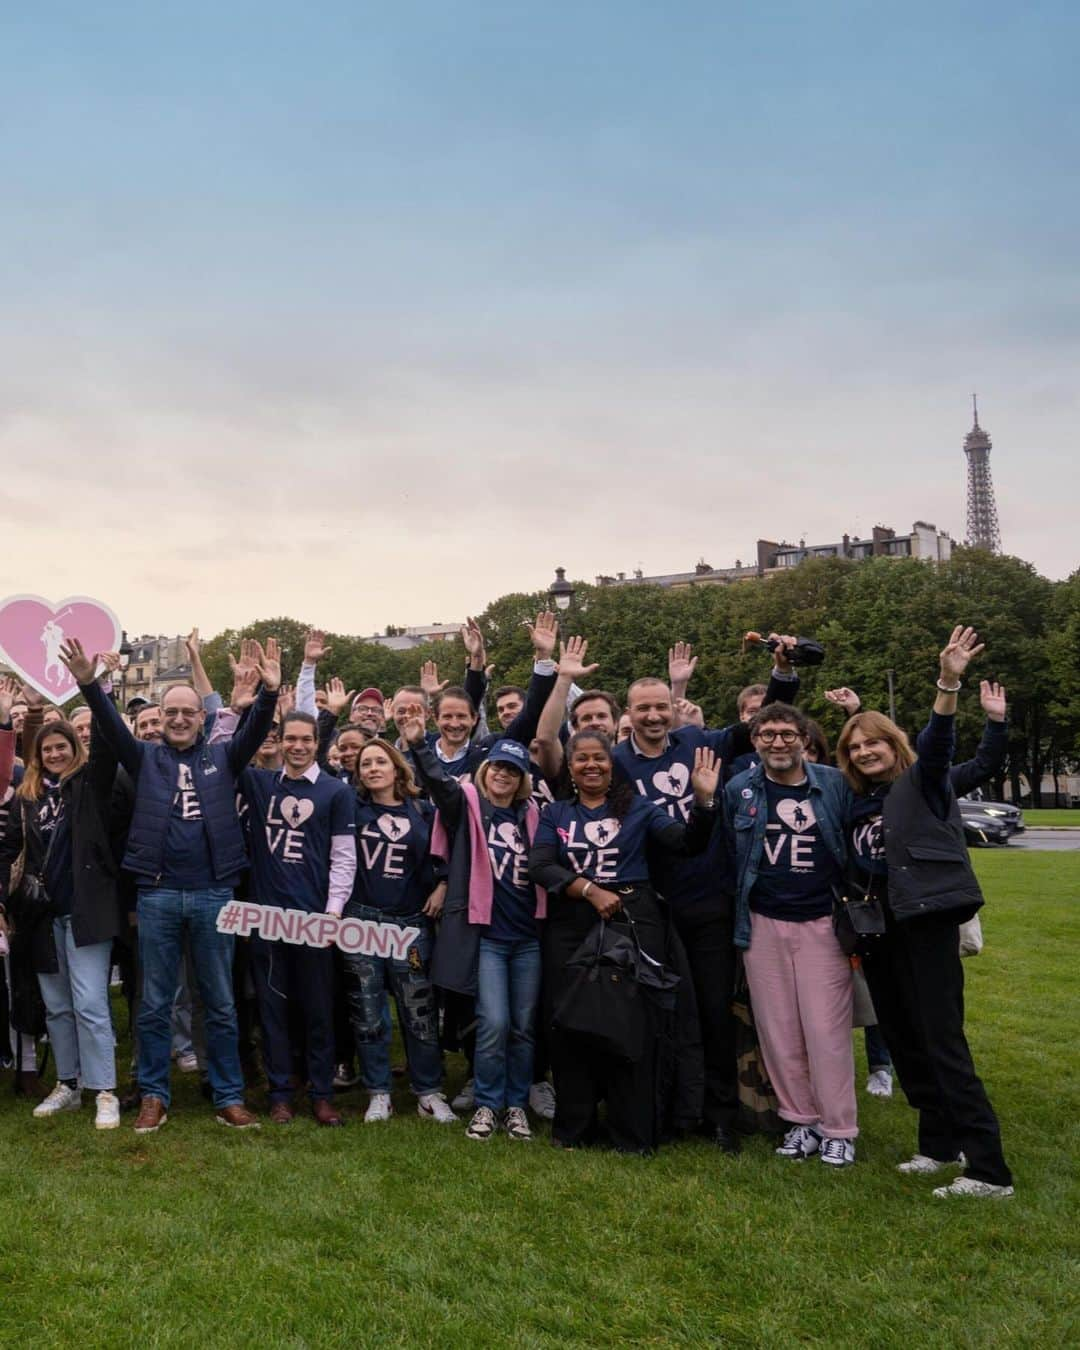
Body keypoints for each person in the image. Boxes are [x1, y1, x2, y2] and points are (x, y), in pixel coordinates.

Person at [66, 635, 280, 1133]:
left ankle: (228, 1095)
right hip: (158, 894)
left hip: (213, 892)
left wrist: (268, 694)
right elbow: (112, 727)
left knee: (221, 1001)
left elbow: (253, 732)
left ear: (202, 719)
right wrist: (88, 683)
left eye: (189, 711)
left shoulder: (223, 758)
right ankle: (154, 1095)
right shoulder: (144, 759)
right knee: (155, 1002)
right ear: (160, 720)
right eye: (171, 713)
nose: (180, 718)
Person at [835, 626, 1014, 1199]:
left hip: (925, 922)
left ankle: (988, 1169)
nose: (865, 753)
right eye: (856, 748)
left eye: (874, 744)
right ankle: (938, 1145)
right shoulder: (854, 801)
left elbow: (940, 741)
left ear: (893, 745)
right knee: (907, 1041)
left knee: (942, 1041)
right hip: (878, 929)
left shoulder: (923, 780)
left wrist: (948, 682)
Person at [529, 731, 720, 1153]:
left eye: (599, 758)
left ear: (612, 767)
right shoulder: (556, 813)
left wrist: (703, 801)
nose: (591, 765)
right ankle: (574, 1127)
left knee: (633, 1025)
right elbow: (540, 864)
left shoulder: (638, 808)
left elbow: (688, 843)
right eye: (582, 759)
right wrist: (588, 890)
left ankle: (631, 1131)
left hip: (633, 921)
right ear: (572, 768)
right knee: (570, 1022)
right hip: (572, 926)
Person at [404, 715, 547, 1143]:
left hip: (527, 937)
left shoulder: (534, 815)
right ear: (486, 771)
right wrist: (418, 746)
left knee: (523, 1025)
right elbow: (441, 786)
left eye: (513, 770)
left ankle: (516, 1105)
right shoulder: (467, 806)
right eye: (498, 766)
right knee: (494, 1022)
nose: (503, 774)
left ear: (522, 779)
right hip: (487, 937)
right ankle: (487, 1102)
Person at [726, 703, 857, 1167]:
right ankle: (801, 1121)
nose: (777, 742)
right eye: (767, 734)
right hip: (762, 921)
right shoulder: (740, 789)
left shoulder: (835, 784)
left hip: (822, 921)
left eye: (786, 733)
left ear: (804, 737)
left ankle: (839, 1128)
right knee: (778, 1030)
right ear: (755, 740)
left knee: (825, 1029)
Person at [0, 674, 126, 1130]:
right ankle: (68, 1084)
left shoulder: (89, 785)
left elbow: (112, 744)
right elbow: (8, 848)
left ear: (75, 749)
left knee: (90, 1001)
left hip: (87, 913)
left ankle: (104, 1089)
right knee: (56, 1005)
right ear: (38, 755)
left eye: (62, 747)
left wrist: (97, 688)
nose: (54, 754)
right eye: (46, 749)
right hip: (42, 915)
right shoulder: (29, 798)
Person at [239, 710, 357, 1126]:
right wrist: (243, 708)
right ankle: (280, 1094)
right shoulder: (259, 783)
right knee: (273, 1009)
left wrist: (333, 914)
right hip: (267, 917)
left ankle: (322, 1094)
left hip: (314, 918)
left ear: (318, 743)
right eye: (291, 738)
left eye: (307, 739)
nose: (298, 746)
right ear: (280, 741)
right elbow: (232, 752)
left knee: (318, 1009)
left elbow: (344, 858)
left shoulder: (335, 792)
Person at [343, 736, 454, 1124]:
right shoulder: (351, 809)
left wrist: (442, 885)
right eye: (365, 764)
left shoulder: (423, 811)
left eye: (380, 762)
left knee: (418, 1009)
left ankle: (428, 1091)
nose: (373, 768)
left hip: (410, 925)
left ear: (396, 768)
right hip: (361, 922)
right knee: (369, 1011)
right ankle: (379, 1092)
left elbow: (447, 854)